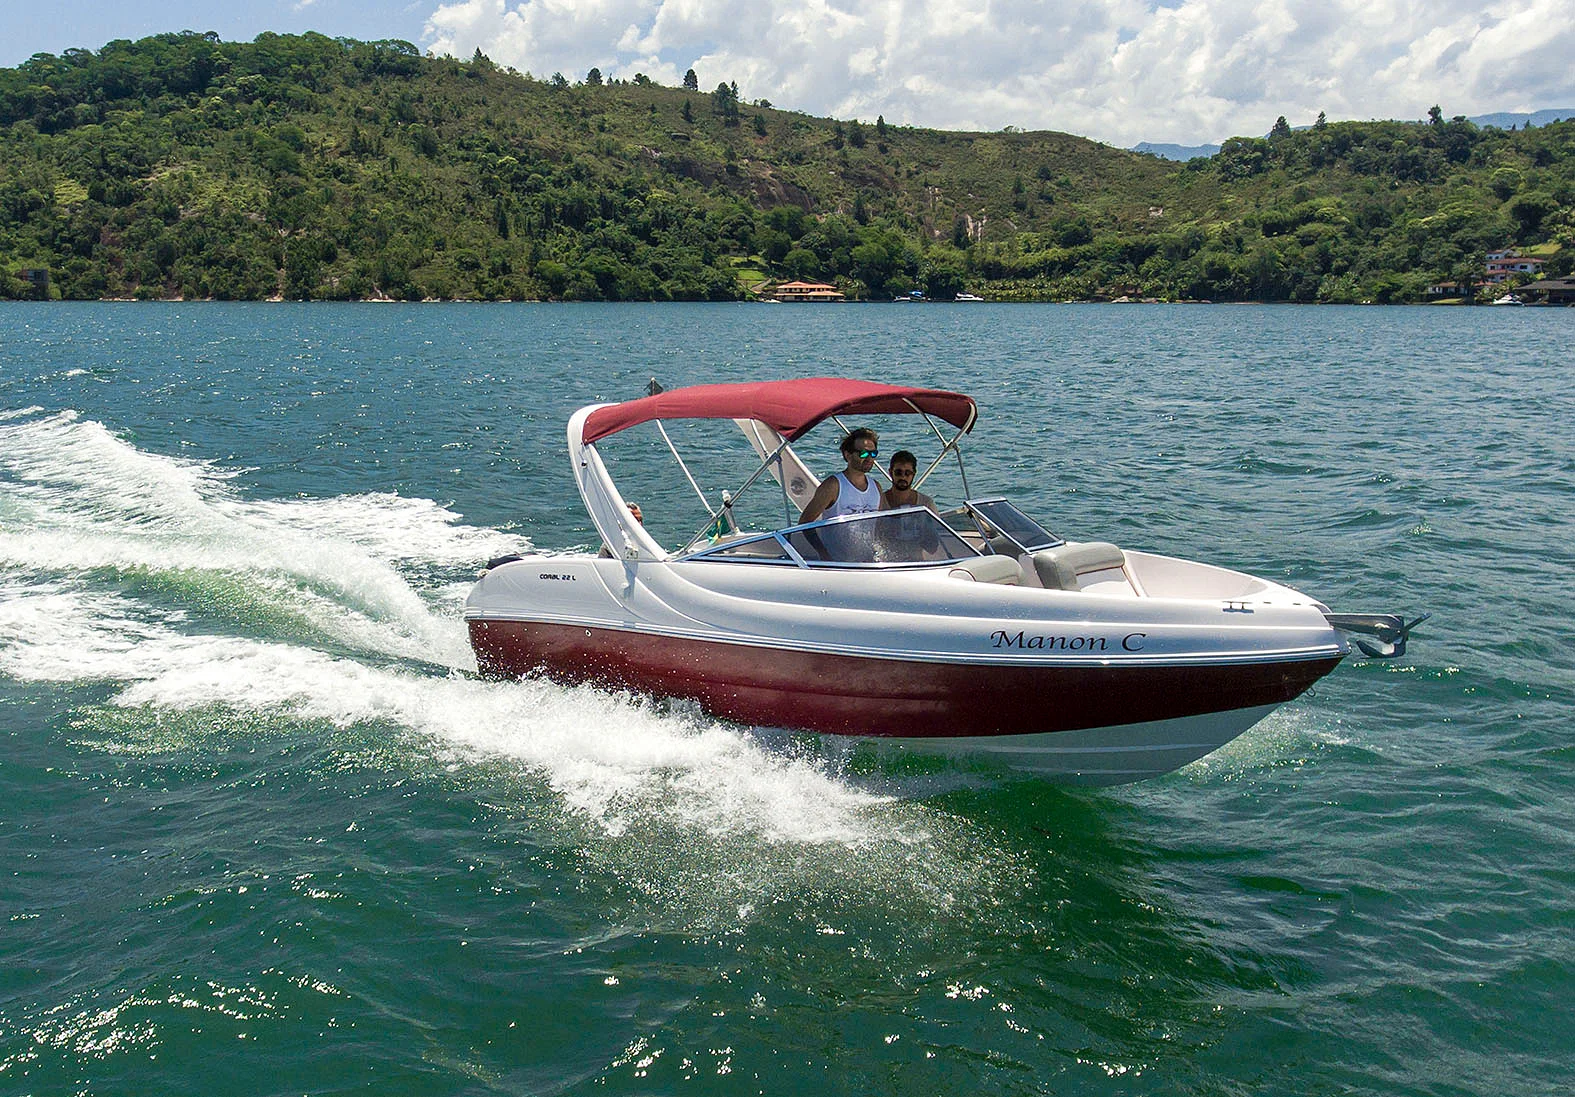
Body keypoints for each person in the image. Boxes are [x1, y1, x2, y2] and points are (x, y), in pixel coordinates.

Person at [797, 428, 881, 523]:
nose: (869, 458)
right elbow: (804, 523)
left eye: (873, 453)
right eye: (864, 453)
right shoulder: (833, 486)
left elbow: (882, 524)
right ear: (848, 455)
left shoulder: (876, 487)